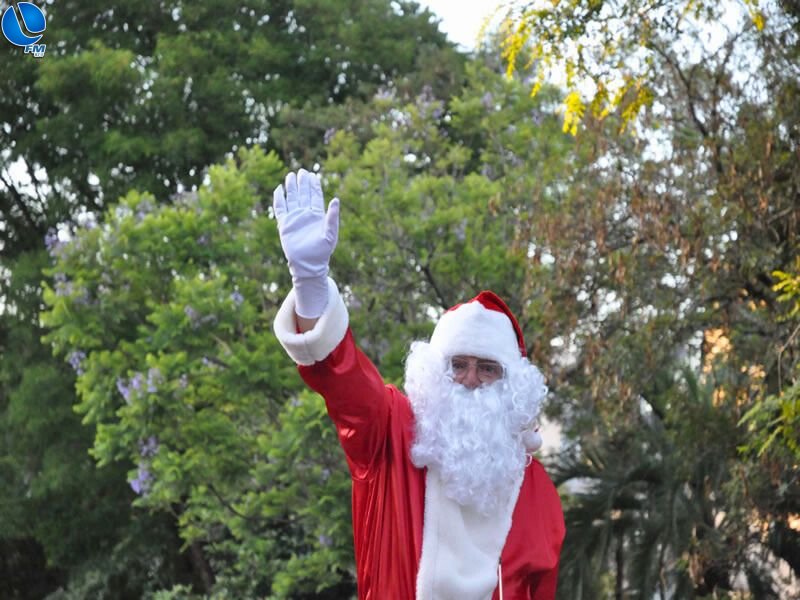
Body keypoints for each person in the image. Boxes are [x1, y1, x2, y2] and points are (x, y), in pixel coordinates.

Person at [272, 169, 565, 600]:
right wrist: (312, 288)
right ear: (434, 375)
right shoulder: (392, 435)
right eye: (457, 365)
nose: (470, 380)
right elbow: (346, 385)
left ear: (512, 387)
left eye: (487, 369)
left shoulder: (540, 495)